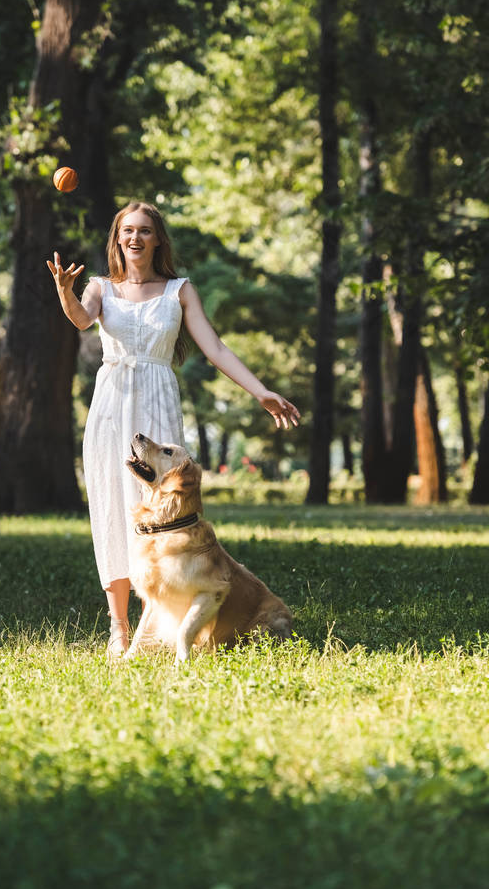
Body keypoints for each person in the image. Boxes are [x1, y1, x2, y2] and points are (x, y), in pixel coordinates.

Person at [47, 201, 300, 658]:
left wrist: (259, 391)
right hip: (111, 403)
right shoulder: (101, 287)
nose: (135, 238)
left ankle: (157, 625)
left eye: (145, 230)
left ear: (158, 239)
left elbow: (216, 348)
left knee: (162, 511)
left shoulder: (179, 291)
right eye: (127, 231)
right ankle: (119, 627)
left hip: (157, 399)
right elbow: (83, 320)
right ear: (117, 238)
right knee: (113, 511)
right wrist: (66, 292)